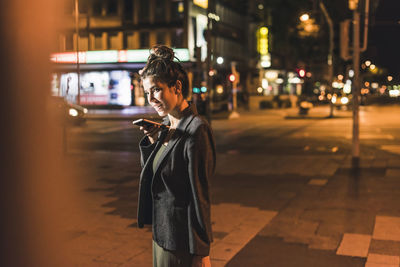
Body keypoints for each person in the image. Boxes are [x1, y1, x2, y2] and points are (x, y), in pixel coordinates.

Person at [137, 45, 215, 267]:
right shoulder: (164, 127)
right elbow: (155, 178)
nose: (151, 99)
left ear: (177, 87)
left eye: (156, 90)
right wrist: (153, 142)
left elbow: (199, 196)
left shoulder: (197, 129)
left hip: (182, 243)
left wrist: (201, 252)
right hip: (162, 235)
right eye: (147, 93)